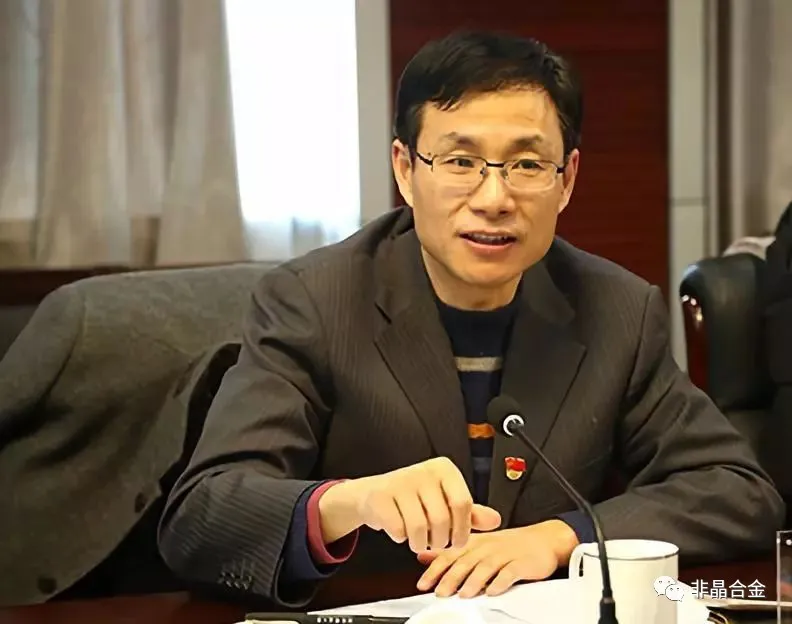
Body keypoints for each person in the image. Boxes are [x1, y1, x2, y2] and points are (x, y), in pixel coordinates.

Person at [158, 31, 784, 606]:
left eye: (527, 165)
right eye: (460, 162)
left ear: (567, 180)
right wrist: (349, 502)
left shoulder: (615, 309)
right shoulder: (314, 302)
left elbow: (738, 491)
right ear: (406, 170)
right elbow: (200, 517)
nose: (493, 198)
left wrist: (562, 537)